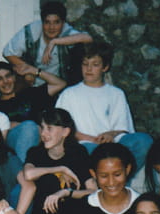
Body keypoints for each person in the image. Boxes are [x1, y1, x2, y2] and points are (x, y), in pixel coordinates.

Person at [55, 41, 153, 170]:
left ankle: (122, 177)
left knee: (144, 141)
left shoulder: (116, 93)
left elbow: (123, 126)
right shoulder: (69, 94)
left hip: (112, 144)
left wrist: (111, 134)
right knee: (87, 152)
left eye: (95, 65)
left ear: (105, 67)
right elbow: (60, 127)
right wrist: (92, 139)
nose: (89, 69)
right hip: (85, 145)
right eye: (85, 64)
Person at [17, 109, 95, 214]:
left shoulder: (78, 153)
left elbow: (93, 191)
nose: (43, 133)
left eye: (49, 128)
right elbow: (28, 174)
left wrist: (66, 193)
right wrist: (60, 169)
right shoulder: (36, 152)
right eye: (42, 128)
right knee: (50, 181)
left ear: (65, 132)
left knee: (61, 189)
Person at [3, 0, 93, 85]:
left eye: (56, 22)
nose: (51, 27)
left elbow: (88, 38)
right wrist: (28, 69)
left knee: (79, 49)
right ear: (42, 22)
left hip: (59, 84)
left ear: (63, 23)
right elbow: (8, 52)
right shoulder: (32, 30)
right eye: (47, 22)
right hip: (34, 83)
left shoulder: (66, 31)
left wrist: (54, 42)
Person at [0, 61, 66, 162]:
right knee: (29, 127)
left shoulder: (30, 94)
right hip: (11, 141)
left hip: (37, 139)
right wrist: (22, 125)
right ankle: (25, 167)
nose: (5, 81)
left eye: (8, 76)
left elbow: (60, 84)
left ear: (14, 77)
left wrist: (33, 70)